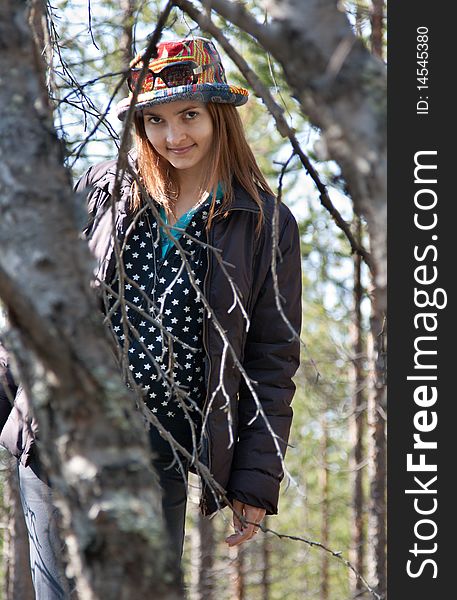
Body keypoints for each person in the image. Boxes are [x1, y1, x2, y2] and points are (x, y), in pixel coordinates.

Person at [0, 36, 302, 598]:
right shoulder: (103, 190)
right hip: (59, 434)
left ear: (219, 116)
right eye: (156, 120)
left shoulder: (264, 223)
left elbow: (272, 358)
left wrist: (256, 482)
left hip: (158, 451)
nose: (173, 136)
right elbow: (34, 301)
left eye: (189, 115)